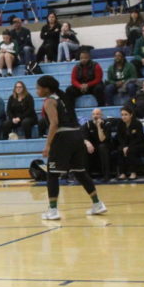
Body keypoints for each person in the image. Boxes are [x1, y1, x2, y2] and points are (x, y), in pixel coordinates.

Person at [36, 75, 107, 220]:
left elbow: (54, 123)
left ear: (46, 89)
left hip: (63, 138)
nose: (36, 91)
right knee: (80, 172)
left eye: (38, 88)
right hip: (77, 135)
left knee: (52, 173)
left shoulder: (49, 101)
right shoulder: (64, 97)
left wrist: (48, 145)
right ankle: (97, 204)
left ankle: (53, 210)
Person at [82, 108, 114, 182]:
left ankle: (106, 176)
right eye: (93, 114)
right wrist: (87, 143)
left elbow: (102, 139)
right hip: (93, 147)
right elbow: (83, 137)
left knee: (102, 147)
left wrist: (99, 126)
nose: (95, 116)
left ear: (101, 115)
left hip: (105, 146)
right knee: (84, 147)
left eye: (97, 114)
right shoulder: (87, 124)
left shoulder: (107, 124)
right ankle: (86, 176)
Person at [116, 106, 144, 180]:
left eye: (126, 114)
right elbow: (119, 138)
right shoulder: (120, 124)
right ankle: (122, 173)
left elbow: (139, 138)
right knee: (119, 150)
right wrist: (124, 146)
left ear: (131, 115)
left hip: (139, 143)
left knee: (131, 150)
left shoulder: (137, 123)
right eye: (122, 115)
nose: (123, 117)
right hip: (126, 144)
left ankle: (133, 173)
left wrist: (128, 147)